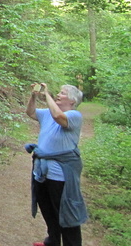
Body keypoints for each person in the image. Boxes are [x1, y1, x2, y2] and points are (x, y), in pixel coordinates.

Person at [25, 83, 88, 246]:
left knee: (66, 214)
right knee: (47, 209)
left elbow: (59, 117)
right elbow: (30, 112)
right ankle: (52, 240)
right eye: (59, 92)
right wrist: (34, 96)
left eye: (63, 93)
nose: (59, 95)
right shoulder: (47, 114)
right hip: (42, 172)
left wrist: (47, 95)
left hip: (60, 176)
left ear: (72, 101)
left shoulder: (75, 116)